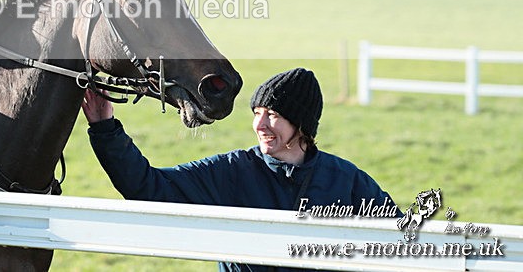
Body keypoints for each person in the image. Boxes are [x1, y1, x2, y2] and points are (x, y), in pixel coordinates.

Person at [82, 67, 397, 272]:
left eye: (272, 114)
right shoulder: (231, 171)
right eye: (256, 112)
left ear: (301, 124)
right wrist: (105, 128)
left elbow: (400, 244)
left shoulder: (347, 180)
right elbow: (148, 188)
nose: (259, 125)